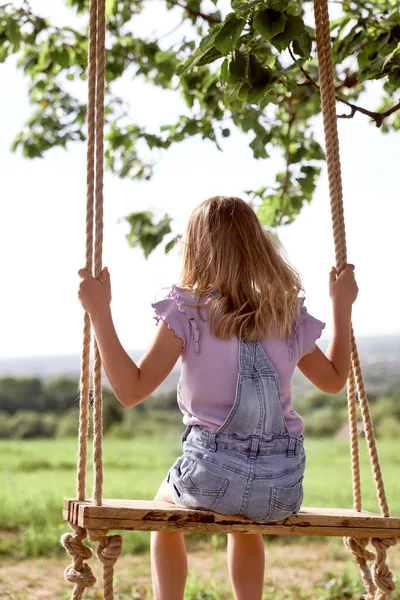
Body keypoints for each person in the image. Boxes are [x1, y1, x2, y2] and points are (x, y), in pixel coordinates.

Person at [78, 196, 358, 600]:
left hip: (210, 476)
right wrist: (342, 306)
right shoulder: (284, 313)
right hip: (281, 487)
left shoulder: (187, 310)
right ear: (258, 247)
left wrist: (100, 312)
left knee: (164, 512)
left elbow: (131, 389)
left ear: (195, 249)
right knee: (247, 524)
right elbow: (334, 381)